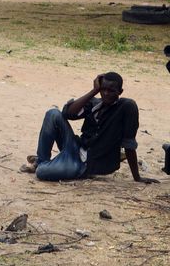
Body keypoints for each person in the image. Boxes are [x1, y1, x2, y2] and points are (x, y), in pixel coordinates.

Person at [23, 72, 159, 184]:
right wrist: (94, 91)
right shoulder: (95, 104)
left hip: (85, 164)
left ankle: (51, 164)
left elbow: (129, 143)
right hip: (75, 147)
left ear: (120, 91)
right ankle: (41, 161)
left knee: (42, 172)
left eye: (111, 91)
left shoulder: (126, 107)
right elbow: (68, 114)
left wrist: (137, 177)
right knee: (53, 114)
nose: (106, 93)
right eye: (103, 89)